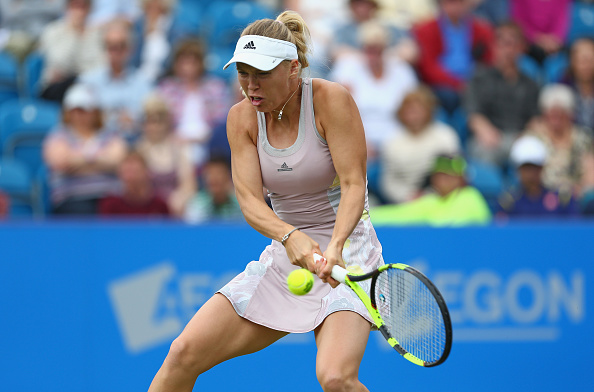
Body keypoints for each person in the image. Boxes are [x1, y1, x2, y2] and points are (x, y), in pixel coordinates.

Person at [149, 10, 384, 392]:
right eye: (243, 73)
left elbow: (355, 184)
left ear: (293, 68)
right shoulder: (240, 119)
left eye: (261, 74)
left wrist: (336, 246)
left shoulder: (331, 100)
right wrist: (290, 237)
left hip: (349, 252)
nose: (250, 85)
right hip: (286, 253)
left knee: (336, 378)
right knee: (182, 354)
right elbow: (249, 201)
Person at [330, 19, 417, 165]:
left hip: (397, 139)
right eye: (369, 50)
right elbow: (339, 112)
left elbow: (413, 107)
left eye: (378, 50)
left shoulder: (401, 70)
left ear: (385, 49)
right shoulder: (347, 68)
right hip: (357, 138)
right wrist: (360, 141)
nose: (373, 56)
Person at [43, 83, 127, 215]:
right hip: (71, 198)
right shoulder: (58, 135)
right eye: (74, 110)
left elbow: (119, 160)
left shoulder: (110, 134)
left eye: (83, 110)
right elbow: (60, 162)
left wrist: (80, 161)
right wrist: (100, 161)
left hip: (108, 196)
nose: (78, 115)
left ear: (95, 112)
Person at [465, 21, 540, 168]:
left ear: (521, 48)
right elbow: (473, 115)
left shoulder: (531, 84)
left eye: (513, 44)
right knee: (482, 151)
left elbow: (535, 119)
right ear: (494, 46)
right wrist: (486, 131)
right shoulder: (479, 78)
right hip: (491, 137)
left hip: (520, 137)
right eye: (503, 43)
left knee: (535, 151)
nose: (508, 50)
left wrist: (526, 136)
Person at [157, 38, 231, 169]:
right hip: (174, 143)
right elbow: (159, 121)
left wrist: (197, 139)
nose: (188, 67)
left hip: (208, 143)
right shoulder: (167, 89)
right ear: (176, 64)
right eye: (184, 62)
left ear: (200, 63)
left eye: (192, 62)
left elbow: (221, 121)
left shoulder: (215, 87)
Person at [379, 87, 460, 205]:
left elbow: (454, 175)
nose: (414, 115)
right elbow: (389, 181)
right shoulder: (392, 142)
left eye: (418, 110)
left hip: (443, 201)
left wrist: (432, 196)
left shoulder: (446, 136)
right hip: (406, 203)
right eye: (409, 111)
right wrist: (408, 197)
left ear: (429, 111)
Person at [413, 0, 495, 114]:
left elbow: (489, 61)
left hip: (474, 83)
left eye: (459, 2)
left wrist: (475, 83)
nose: (455, 6)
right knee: (450, 99)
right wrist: (459, 85)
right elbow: (428, 68)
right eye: (450, 2)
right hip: (444, 87)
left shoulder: (482, 29)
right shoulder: (425, 29)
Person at [78, 19, 153, 140]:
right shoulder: (87, 81)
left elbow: (153, 122)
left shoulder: (144, 83)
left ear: (131, 49)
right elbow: (78, 121)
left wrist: (134, 121)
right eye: (111, 47)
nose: (116, 51)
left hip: (135, 148)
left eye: (121, 46)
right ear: (104, 48)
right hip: (97, 149)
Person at [371, 155, 492, 226]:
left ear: (461, 178)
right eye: (440, 175)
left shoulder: (470, 196)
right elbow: (398, 214)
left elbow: (450, 225)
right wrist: (365, 215)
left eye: (450, 175)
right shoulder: (430, 200)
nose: (444, 180)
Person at [135, 93, 196, 217]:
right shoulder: (138, 150)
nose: (154, 127)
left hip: (174, 208)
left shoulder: (179, 148)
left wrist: (179, 199)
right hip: (147, 208)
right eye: (150, 121)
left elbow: (188, 185)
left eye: (158, 121)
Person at [528, 84, 594, 198]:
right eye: (552, 113)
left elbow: (591, 172)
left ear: (570, 114)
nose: (556, 119)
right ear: (545, 114)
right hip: (542, 197)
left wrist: (582, 189)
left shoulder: (583, 139)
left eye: (561, 113)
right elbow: (527, 172)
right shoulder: (534, 138)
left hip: (576, 197)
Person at [497, 135, 579, 218]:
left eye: (534, 167)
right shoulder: (509, 204)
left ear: (541, 168)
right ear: (519, 170)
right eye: (526, 168)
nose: (530, 173)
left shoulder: (561, 200)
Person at [38, 0, 105, 102]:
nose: (79, 11)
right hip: (56, 88)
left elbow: (100, 67)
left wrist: (79, 75)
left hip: (87, 86)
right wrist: (75, 33)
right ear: (67, 7)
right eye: (75, 5)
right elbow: (60, 64)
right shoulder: (53, 31)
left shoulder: (97, 34)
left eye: (83, 6)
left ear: (90, 9)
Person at [99, 151, 170, 216]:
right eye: (126, 172)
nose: (130, 178)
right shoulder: (110, 204)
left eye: (135, 172)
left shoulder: (159, 204)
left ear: (146, 173)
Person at [184, 156, 243, 224]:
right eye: (210, 173)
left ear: (229, 176)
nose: (214, 178)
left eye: (219, 173)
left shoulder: (240, 204)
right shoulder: (196, 205)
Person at [510, 0, 571, 64]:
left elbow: (561, 20)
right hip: (528, 45)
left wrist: (554, 38)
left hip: (554, 45)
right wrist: (537, 38)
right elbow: (520, 22)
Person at [563, 38, 594, 132]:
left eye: (590, 60)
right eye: (581, 60)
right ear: (572, 61)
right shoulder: (562, 88)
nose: (586, 65)